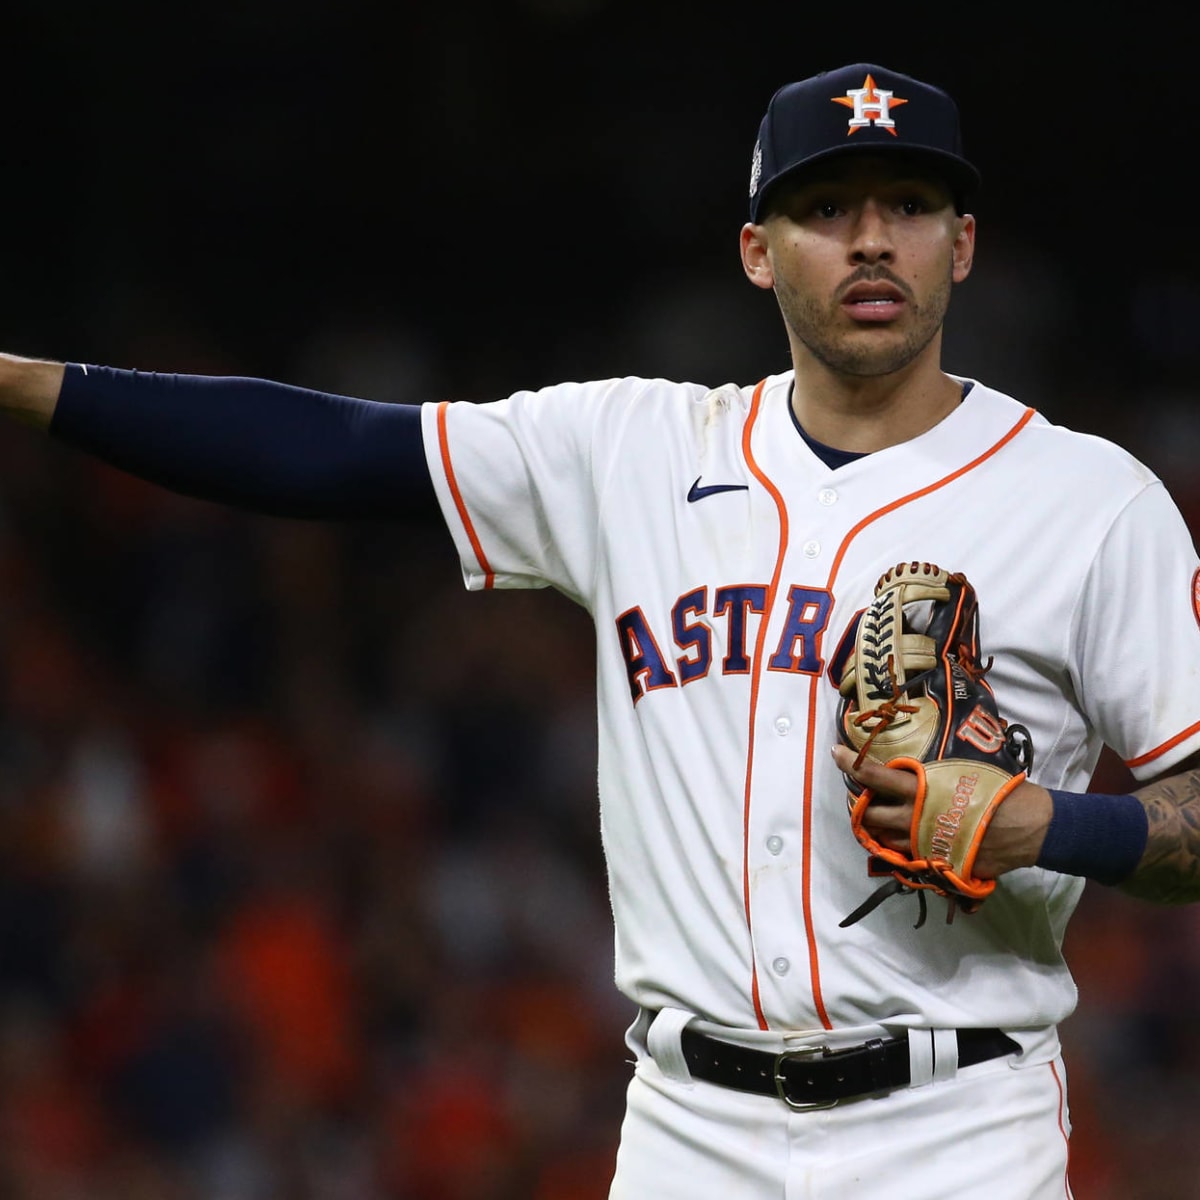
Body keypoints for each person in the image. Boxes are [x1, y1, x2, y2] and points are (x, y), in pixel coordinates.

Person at [2, 61, 1199, 1198]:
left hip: (959, 1134)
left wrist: (1052, 822)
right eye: (826, 205)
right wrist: (18, 382)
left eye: (913, 204)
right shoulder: (632, 450)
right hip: (691, 1131)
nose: (873, 238)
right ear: (756, 250)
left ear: (965, 244)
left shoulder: (1091, 503)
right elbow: (333, 452)